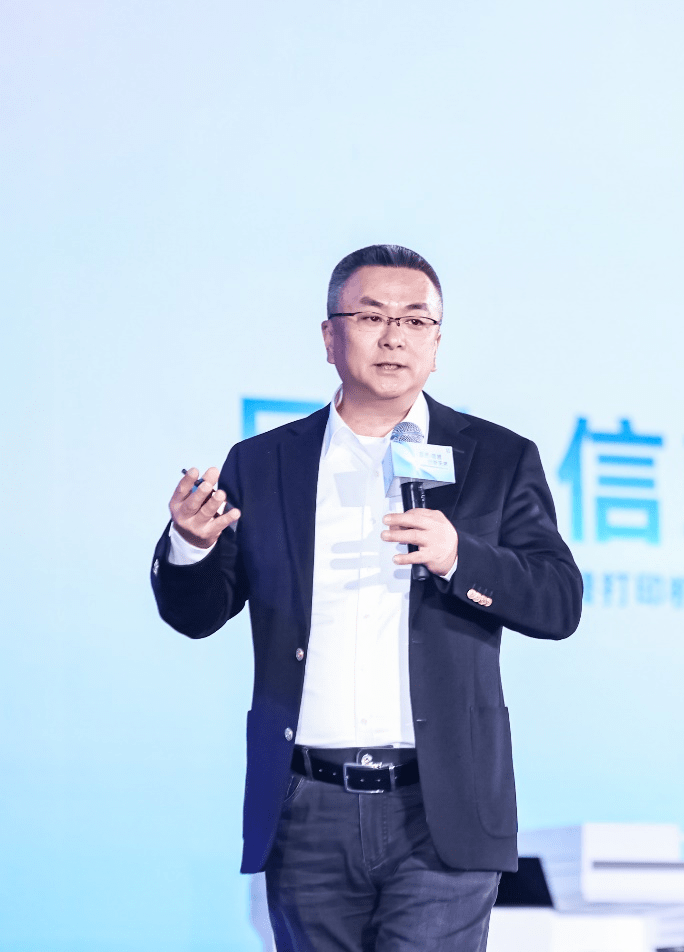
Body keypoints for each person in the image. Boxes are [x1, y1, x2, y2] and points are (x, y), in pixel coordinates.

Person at [151, 244, 583, 951]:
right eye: (373, 316)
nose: (394, 337)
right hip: (307, 805)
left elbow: (558, 601)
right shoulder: (264, 463)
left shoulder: (497, 459)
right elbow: (196, 615)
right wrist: (190, 545)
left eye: (415, 320)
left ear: (436, 343)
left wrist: (459, 557)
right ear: (330, 336)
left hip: (442, 804)